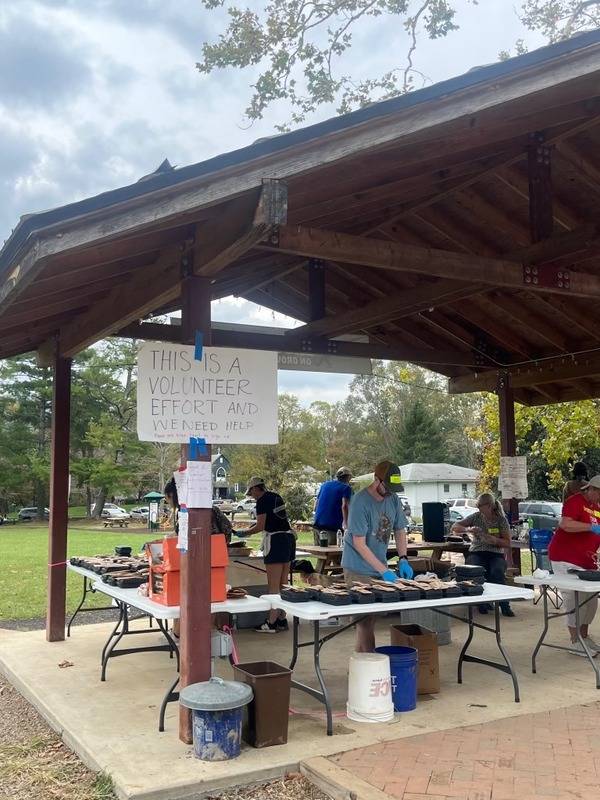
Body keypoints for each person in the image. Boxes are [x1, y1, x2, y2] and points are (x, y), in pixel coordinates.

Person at [341, 460, 413, 652]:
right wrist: (384, 572)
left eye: (393, 488)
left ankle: (360, 665)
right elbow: (359, 543)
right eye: (387, 487)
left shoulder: (393, 499)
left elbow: (399, 530)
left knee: (369, 620)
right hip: (357, 566)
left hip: (378, 565)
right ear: (376, 479)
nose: (390, 492)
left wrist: (403, 558)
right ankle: (374, 663)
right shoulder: (360, 502)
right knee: (364, 619)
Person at [163, 478, 234, 638]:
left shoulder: (185, 511)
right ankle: (212, 632)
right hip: (216, 559)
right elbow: (228, 529)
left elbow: (182, 538)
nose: (168, 503)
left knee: (184, 596)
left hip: (194, 560)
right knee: (213, 597)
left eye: (167, 499)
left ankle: (181, 633)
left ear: (172, 494)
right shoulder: (211, 508)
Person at [548, 474, 600, 655]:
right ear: (592, 489)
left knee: (591, 601)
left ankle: (584, 637)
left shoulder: (596, 506)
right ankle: (575, 641)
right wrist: (591, 528)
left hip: (587, 561)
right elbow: (566, 524)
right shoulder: (575, 501)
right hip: (565, 558)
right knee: (574, 599)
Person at [238, 477, 295, 633]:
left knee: (273, 585)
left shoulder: (262, 501)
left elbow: (261, 526)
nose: (252, 496)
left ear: (256, 488)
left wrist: (245, 533)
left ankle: (271, 622)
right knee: (284, 583)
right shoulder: (276, 496)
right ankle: (282, 619)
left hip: (275, 540)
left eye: (251, 492)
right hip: (288, 539)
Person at [450, 492, 515, 617]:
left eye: (480, 506)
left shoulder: (501, 520)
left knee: (497, 571)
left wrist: (494, 540)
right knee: (475, 569)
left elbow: (507, 543)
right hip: (477, 551)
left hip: (495, 553)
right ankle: (481, 602)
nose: (478, 508)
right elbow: (455, 526)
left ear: (489, 506)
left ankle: (504, 604)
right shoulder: (476, 517)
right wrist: (468, 529)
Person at [312, 466, 353, 545]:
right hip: (332, 528)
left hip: (317, 525)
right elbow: (345, 506)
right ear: (348, 477)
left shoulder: (324, 485)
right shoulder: (346, 488)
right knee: (334, 554)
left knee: (321, 554)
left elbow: (315, 505)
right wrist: (346, 524)